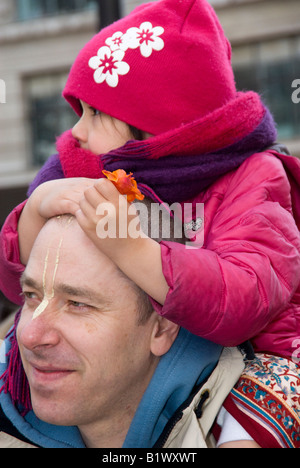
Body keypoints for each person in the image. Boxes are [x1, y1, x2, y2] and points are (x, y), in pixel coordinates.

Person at [0, 0, 300, 447]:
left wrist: (133, 250)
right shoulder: (83, 167)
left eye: (95, 113)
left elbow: (244, 297)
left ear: (156, 126)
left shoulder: (251, 177)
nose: (76, 132)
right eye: (78, 111)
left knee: (266, 406)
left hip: (251, 353)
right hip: (127, 365)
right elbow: (14, 284)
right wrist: (38, 210)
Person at [0, 214, 244, 448]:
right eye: (31, 296)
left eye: (78, 304)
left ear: (162, 328)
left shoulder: (253, 428)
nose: (30, 336)